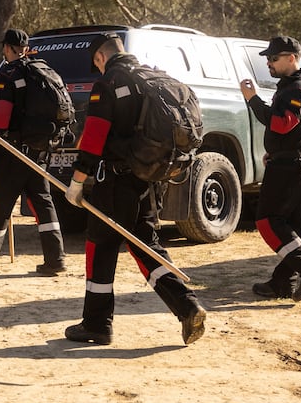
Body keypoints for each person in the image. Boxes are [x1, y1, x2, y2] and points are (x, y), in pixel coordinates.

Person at [60, 32, 207, 345]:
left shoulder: (109, 83)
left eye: (97, 64)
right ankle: (187, 306)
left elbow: (95, 136)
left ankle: (97, 324)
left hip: (115, 182)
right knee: (145, 244)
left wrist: (78, 180)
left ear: (100, 57)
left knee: (100, 247)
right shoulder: (151, 78)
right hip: (149, 179)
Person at [0, 28, 67, 274]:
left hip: (14, 151)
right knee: (43, 201)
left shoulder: (8, 75)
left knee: (2, 200)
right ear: (25, 48)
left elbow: (1, 118)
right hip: (38, 150)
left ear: (7, 48)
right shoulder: (40, 71)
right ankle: (56, 258)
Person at [240, 35, 301, 301]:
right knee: (293, 225)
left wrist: (253, 99)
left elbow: (283, 124)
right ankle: (283, 282)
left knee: (267, 221)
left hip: (291, 165)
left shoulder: (298, 88)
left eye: (273, 58)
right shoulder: (291, 86)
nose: (268, 63)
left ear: (291, 58)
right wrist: (276, 151)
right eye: (268, 58)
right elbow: (289, 130)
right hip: (291, 160)